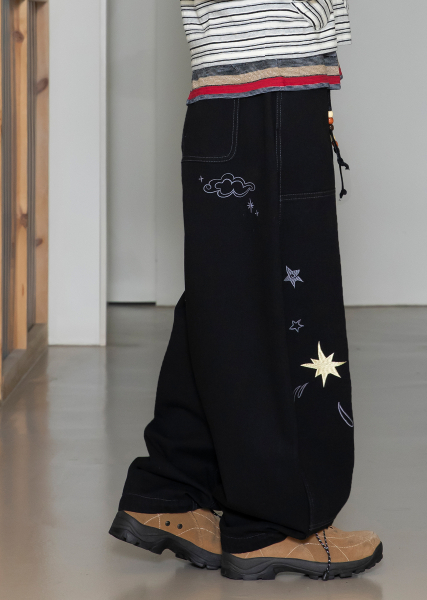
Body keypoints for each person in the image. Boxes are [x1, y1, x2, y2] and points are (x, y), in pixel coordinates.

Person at [109, 0, 383, 581]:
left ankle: (174, 488)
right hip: (269, 85)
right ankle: (273, 523)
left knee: (229, 295)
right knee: (277, 303)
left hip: (239, 88)